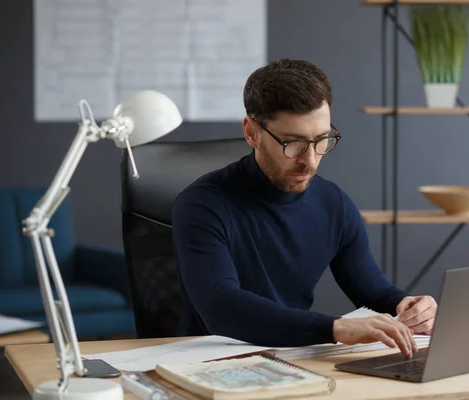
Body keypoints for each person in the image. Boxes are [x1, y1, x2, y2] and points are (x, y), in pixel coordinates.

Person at [171, 58, 437, 359]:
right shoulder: (201, 205)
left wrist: (410, 307)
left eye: (322, 140)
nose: (310, 160)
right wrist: (335, 328)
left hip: (291, 360)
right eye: (292, 143)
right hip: (206, 362)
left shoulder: (334, 204)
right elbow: (221, 307)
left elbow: (375, 292)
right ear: (251, 132)